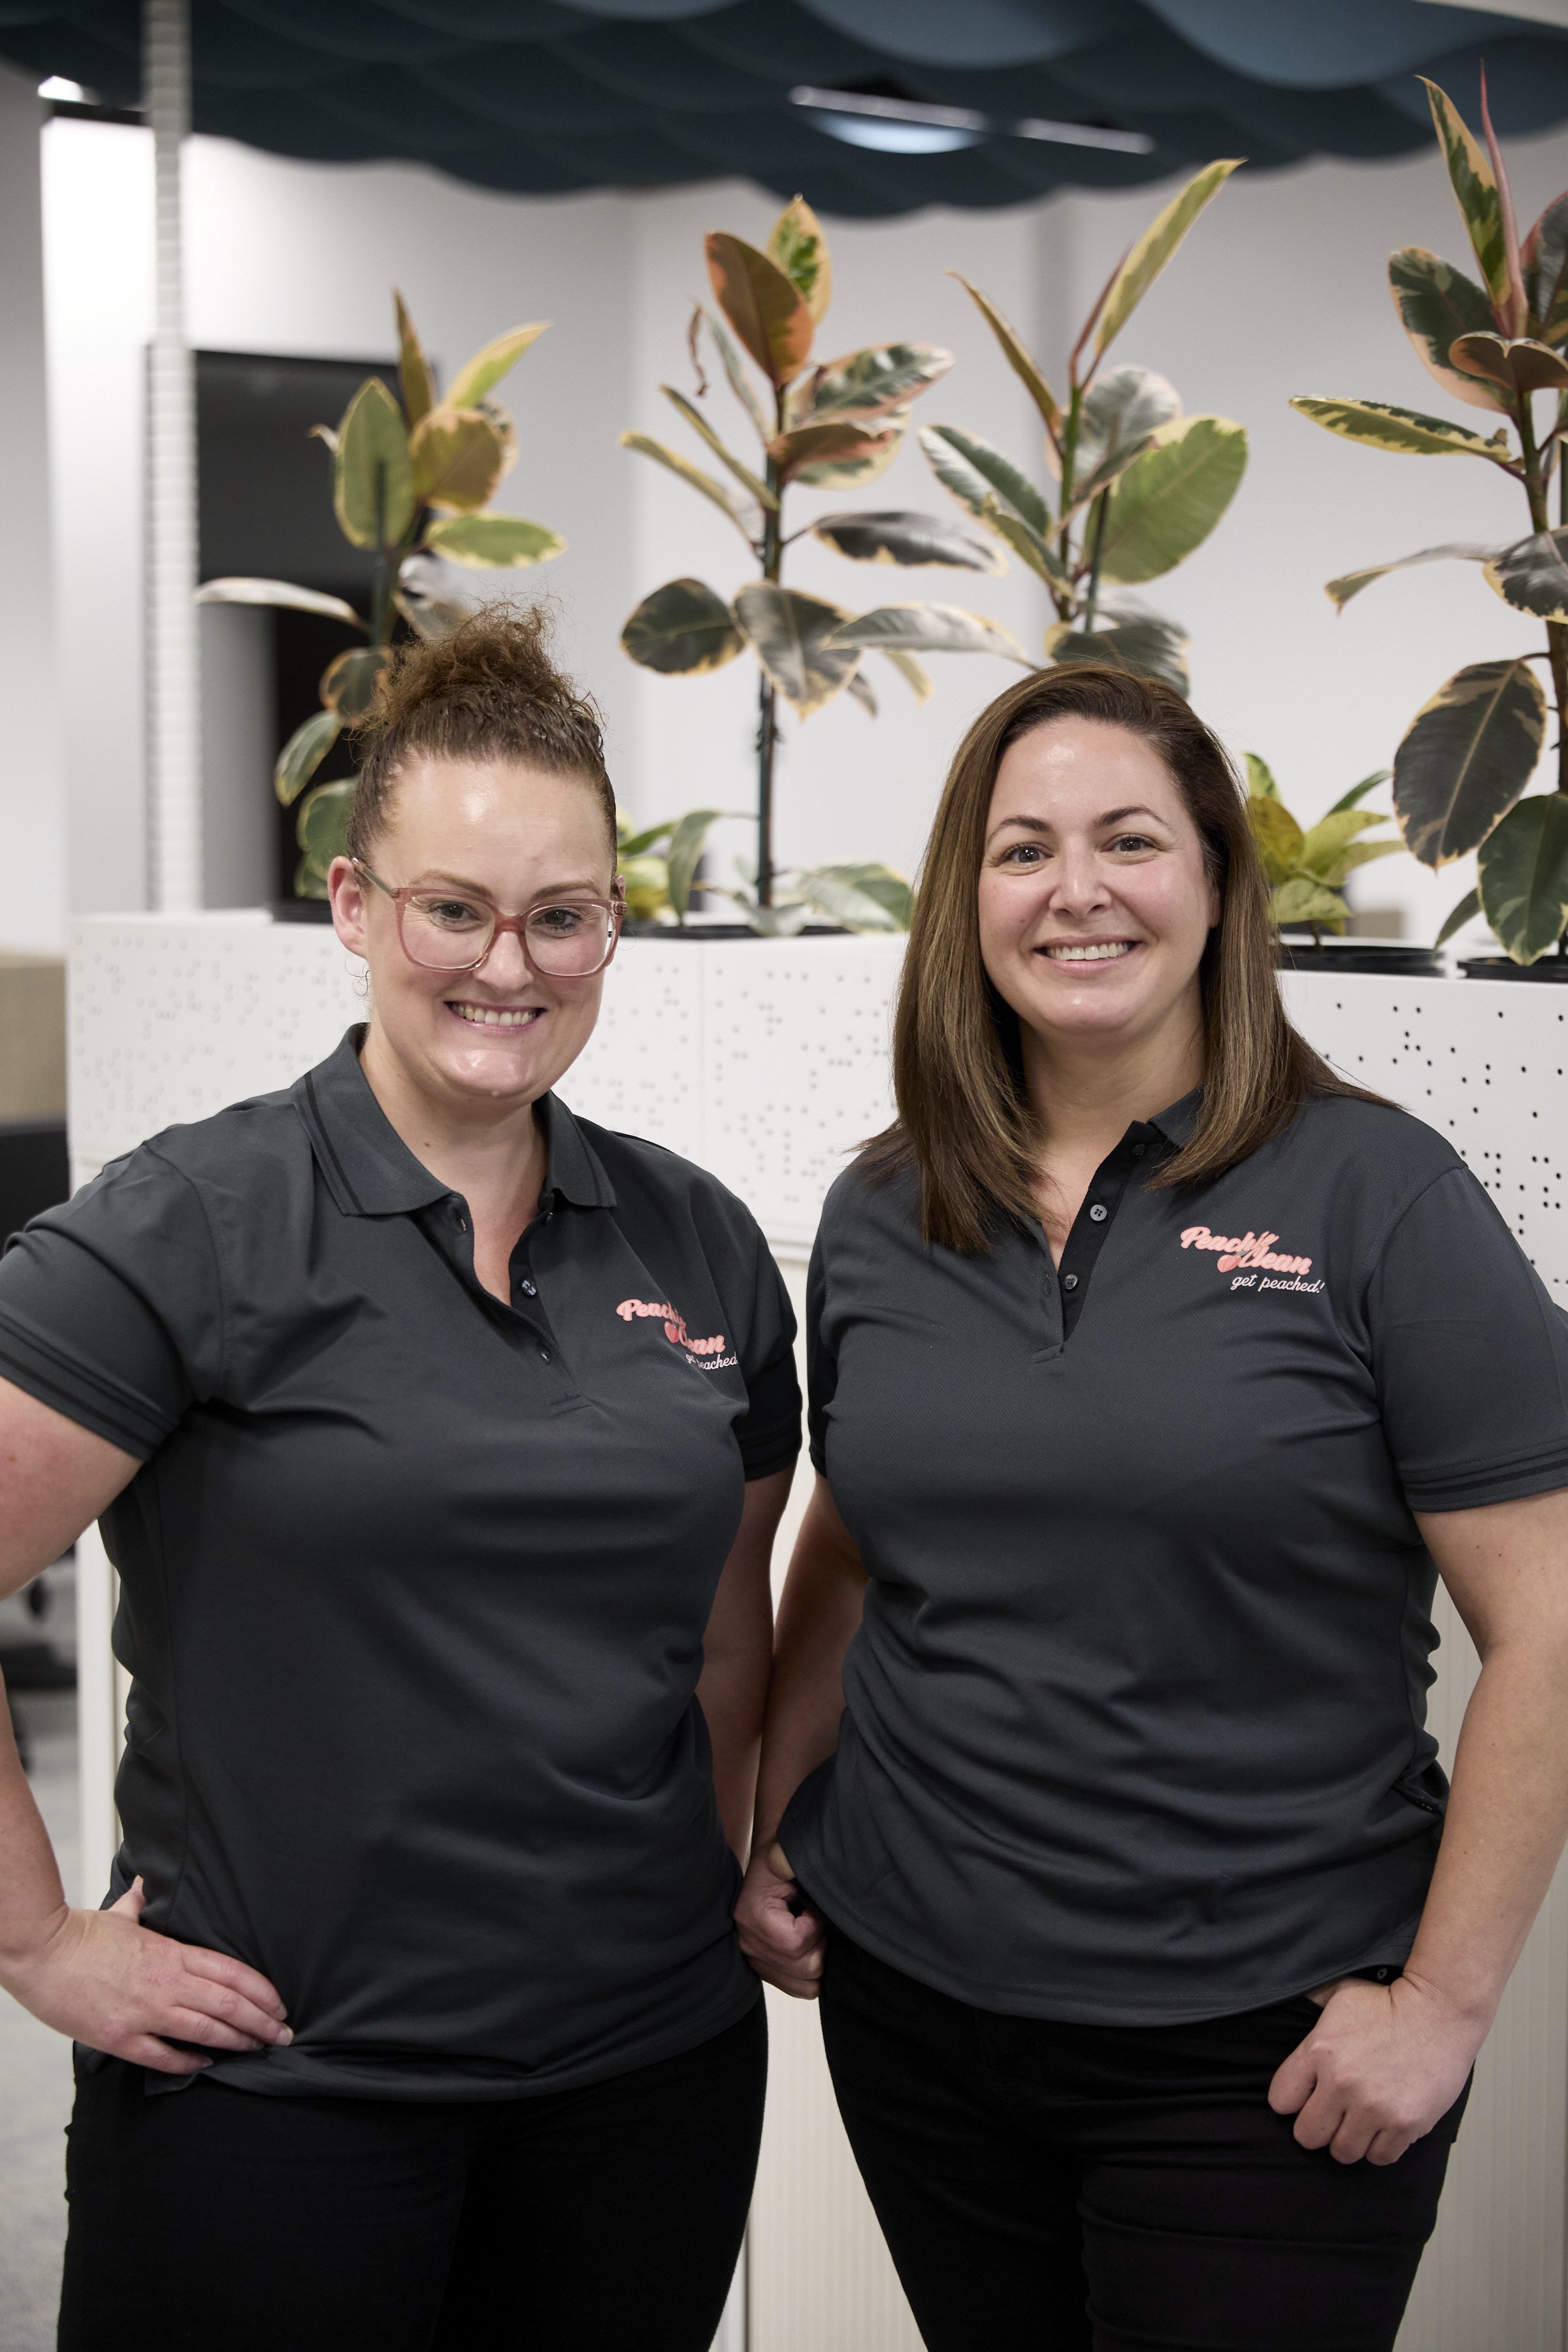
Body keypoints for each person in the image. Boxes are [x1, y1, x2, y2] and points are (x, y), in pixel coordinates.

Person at [736, 662, 1568, 2352]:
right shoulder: (885, 1209)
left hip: (1262, 2042)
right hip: (919, 2011)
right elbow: (858, 1535)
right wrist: (779, 1817)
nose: (1078, 890)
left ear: (1215, 879)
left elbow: (1550, 1616)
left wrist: (1442, 2007)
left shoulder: (1378, 1194)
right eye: (1022, 849)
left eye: (1129, 840)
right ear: (966, 897)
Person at [0, 608, 800, 2352]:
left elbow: (727, 1631)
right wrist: (38, 1940)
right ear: (358, 908)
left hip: (642, 2091)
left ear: (612, 924)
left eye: (563, 915)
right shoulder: (189, 1226)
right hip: (283, 2099)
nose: (509, 964)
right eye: (455, 908)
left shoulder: (701, 1243)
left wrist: (728, 1869)